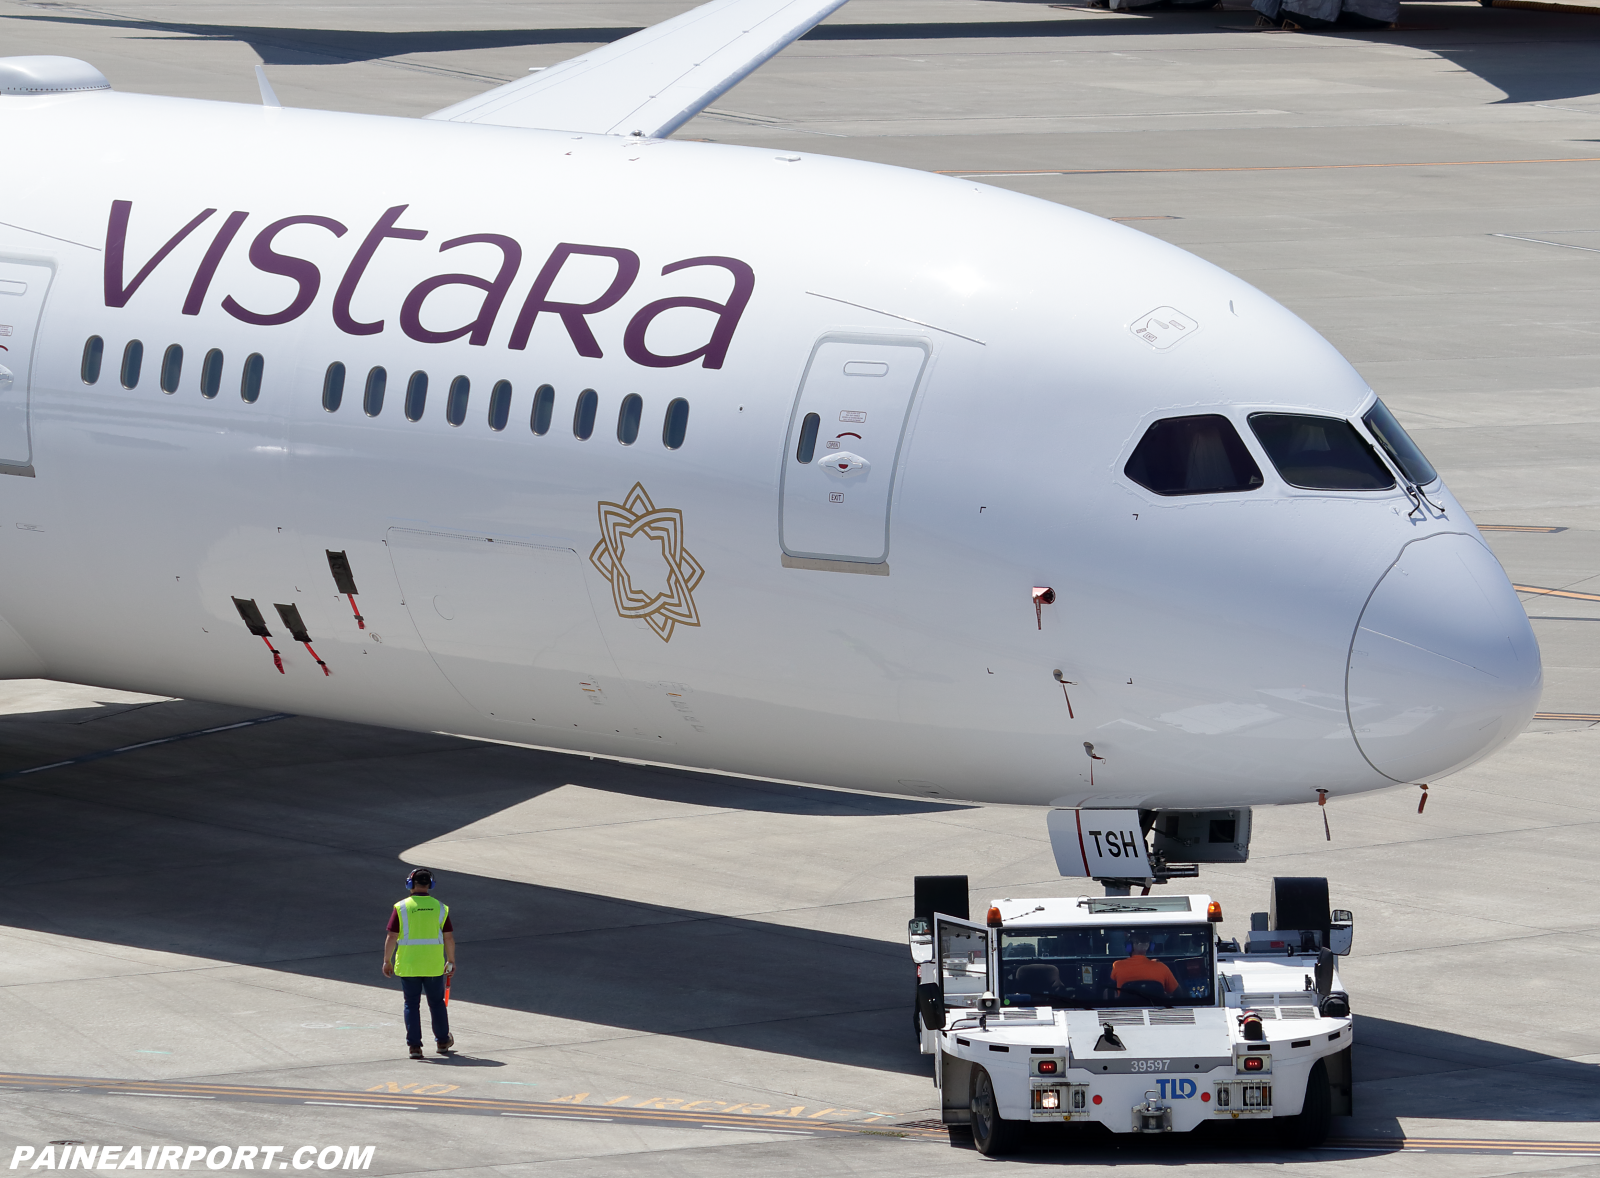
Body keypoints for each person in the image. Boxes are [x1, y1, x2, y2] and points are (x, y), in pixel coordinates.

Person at [382, 867, 456, 1059]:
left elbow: (392, 936)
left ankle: (415, 1047)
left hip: (409, 964)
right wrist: (451, 960)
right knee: (437, 1003)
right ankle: (442, 1041)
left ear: (410, 884)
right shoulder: (441, 907)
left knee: (411, 1004)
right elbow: (448, 938)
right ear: (430, 885)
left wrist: (387, 961)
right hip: (433, 965)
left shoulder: (401, 907)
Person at [1110, 932, 1178, 998]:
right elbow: (1178, 993)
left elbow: (1109, 991)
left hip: (1126, 1008)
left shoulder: (1117, 966)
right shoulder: (1162, 967)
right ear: (1150, 946)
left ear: (1129, 946)